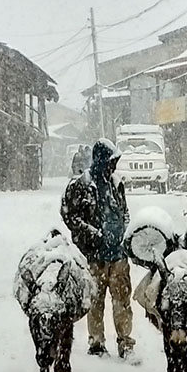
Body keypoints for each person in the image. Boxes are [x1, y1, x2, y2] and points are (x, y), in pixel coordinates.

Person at [61, 139, 135, 359]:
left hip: (118, 255)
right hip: (95, 258)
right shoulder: (82, 184)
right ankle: (96, 344)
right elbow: (70, 215)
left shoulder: (116, 183)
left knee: (122, 301)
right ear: (102, 160)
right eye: (111, 161)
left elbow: (124, 210)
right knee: (95, 302)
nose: (114, 165)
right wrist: (92, 235)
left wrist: (123, 227)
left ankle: (125, 342)